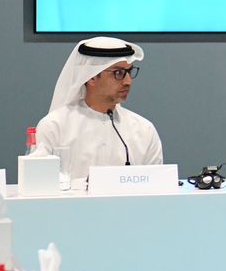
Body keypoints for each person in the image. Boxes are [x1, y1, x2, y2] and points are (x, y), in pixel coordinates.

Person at [33, 37, 163, 187]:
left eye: (129, 72)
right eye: (119, 73)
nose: (128, 81)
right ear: (92, 77)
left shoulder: (144, 130)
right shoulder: (54, 126)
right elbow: (39, 186)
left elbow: (157, 188)